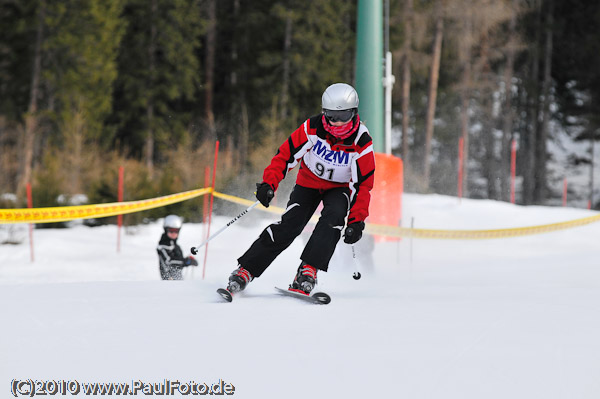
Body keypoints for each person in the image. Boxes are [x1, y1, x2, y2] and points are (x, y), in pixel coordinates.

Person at [225, 83, 375, 295]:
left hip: (338, 188)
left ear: (354, 113)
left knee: (333, 220)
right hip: (309, 182)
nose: (338, 122)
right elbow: (285, 156)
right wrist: (269, 183)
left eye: (344, 116)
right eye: (332, 116)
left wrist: (356, 221)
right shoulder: (313, 128)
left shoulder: (362, 141)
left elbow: (363, 185)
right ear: (325, 113)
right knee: (290, 225)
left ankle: (308, 270)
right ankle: (246, 270)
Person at [157, 215, 198, 280]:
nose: (173, 233)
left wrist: (187, 259)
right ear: (166, 230)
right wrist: (185, 262)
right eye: (171, 230)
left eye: (176, 231)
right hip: (169, 280)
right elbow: (169, 261)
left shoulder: (175, 245)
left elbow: (178, 259)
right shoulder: (163, 246)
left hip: (177, 280)